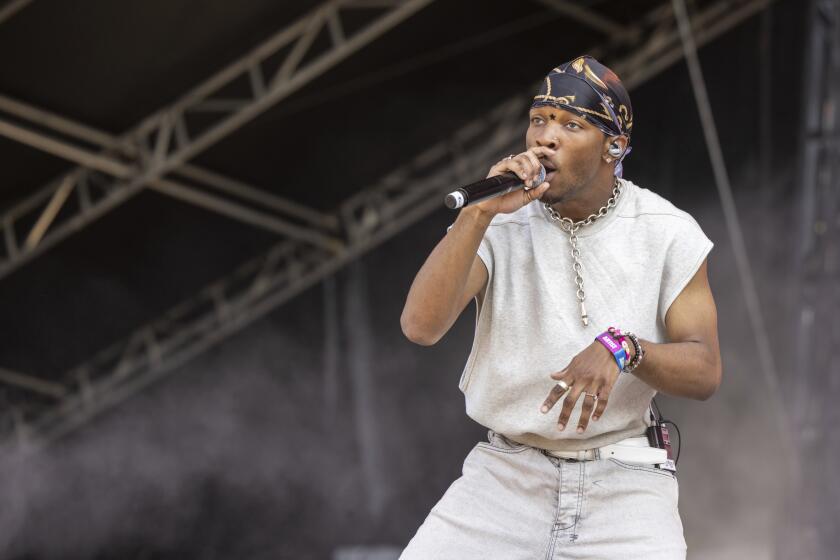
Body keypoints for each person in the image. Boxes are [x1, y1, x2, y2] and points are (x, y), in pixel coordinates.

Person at [398, 55, 722, 559]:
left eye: (571, 125)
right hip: (506, 475)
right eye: (538, 120)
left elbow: (704, 371)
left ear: (614, 146)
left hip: (626, 482)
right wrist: (478, 214)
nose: (544, 138)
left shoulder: (667, 231)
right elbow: (420, 327)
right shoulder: (496, 223)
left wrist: (623, 347)